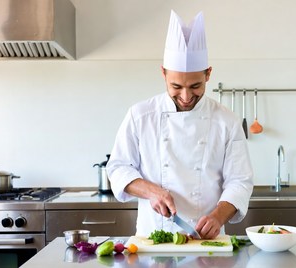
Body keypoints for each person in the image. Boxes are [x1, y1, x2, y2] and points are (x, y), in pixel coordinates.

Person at [106, 10, 253, 239]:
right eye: (176, 87)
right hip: (153, 239)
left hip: (207, 241)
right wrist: (151, 191)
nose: (185, 96)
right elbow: (117, 169)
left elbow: (240, 181)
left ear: (208, 74)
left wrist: (218, 216)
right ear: (163, 73)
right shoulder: (140, 115)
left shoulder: (226, 121)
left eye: (195, 86)